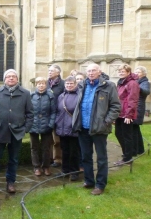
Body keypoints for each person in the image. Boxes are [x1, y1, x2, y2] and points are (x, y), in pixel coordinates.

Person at [72, 63, 120, 195]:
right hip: (83, 127)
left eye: (94, 70)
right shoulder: (82, 85)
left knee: (101, 157)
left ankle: (100, 184)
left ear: (99, 72)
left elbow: (115, 106)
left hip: (99, 128)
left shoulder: (109, 85)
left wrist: (107, 121)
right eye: (89, 71)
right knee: (86, 156)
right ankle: (89, 181)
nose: (91, 73)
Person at [0, 69, 33, 193]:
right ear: (4, 79)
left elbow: (30, 113)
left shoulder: (25, 93)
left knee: (13, 159)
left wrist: (26, 129)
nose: (11, 78)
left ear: (17, 79)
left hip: (17, 131)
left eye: (14, 76)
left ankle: (11, 182)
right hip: (0, 131)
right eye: (8, 77)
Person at [29, 77, 56, 176]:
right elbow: (28, 111)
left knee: (46, 147)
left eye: (43, 83)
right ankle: (36, 167)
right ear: (36, 85)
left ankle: (46, 166)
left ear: (46, 85)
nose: (41, 85)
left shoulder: (50, 96)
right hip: (33, 125)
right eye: (39, 83)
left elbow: (53, 112)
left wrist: (51, 124)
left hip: (46, 126)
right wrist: (29, 124)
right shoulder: (31, 96)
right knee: (34, 147)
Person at [55, 76, 81, 180]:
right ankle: (65, 171)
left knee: (74, 151)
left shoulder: (79, 95)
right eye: (67, 84)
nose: (69, 85)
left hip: (73, 127)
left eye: (71, 84)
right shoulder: (61, 96)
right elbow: (58, 110)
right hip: (62, 127)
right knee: (64, 151)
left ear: (75, 84)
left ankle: (74, 172)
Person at [114, 64, 140, 165]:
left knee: (126, 136)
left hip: (127, 114)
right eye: (119, 71)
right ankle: (126, 154)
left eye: (123, 71)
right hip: (120, 113)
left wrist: (129, 115)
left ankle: (127, 158)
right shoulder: (121, 82)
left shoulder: (132, 83)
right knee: (118, 133)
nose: (121, 73)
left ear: (128, 72)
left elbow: (133, 100)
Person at [48, 64, 64, 168]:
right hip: (46, 115)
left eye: (51, 71)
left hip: (58, 115)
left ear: (58, 73)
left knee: (57, 140)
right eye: (49, 71)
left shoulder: (63, 84)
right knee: (47, 140)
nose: (49, 72)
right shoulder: (45, 83)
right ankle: (48, 158)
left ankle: (58, 159)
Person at [133, 66, 150, 155]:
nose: (136, 74)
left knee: (134, 128)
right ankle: (140, 149)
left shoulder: (144, 82)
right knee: (135, 128)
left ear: (143, 74)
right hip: (134, 106)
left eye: (138, 72)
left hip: (138, 107)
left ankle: (136, 150)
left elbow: (146, 91)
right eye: (135, 72)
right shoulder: (136, 82)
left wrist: (136, 87)